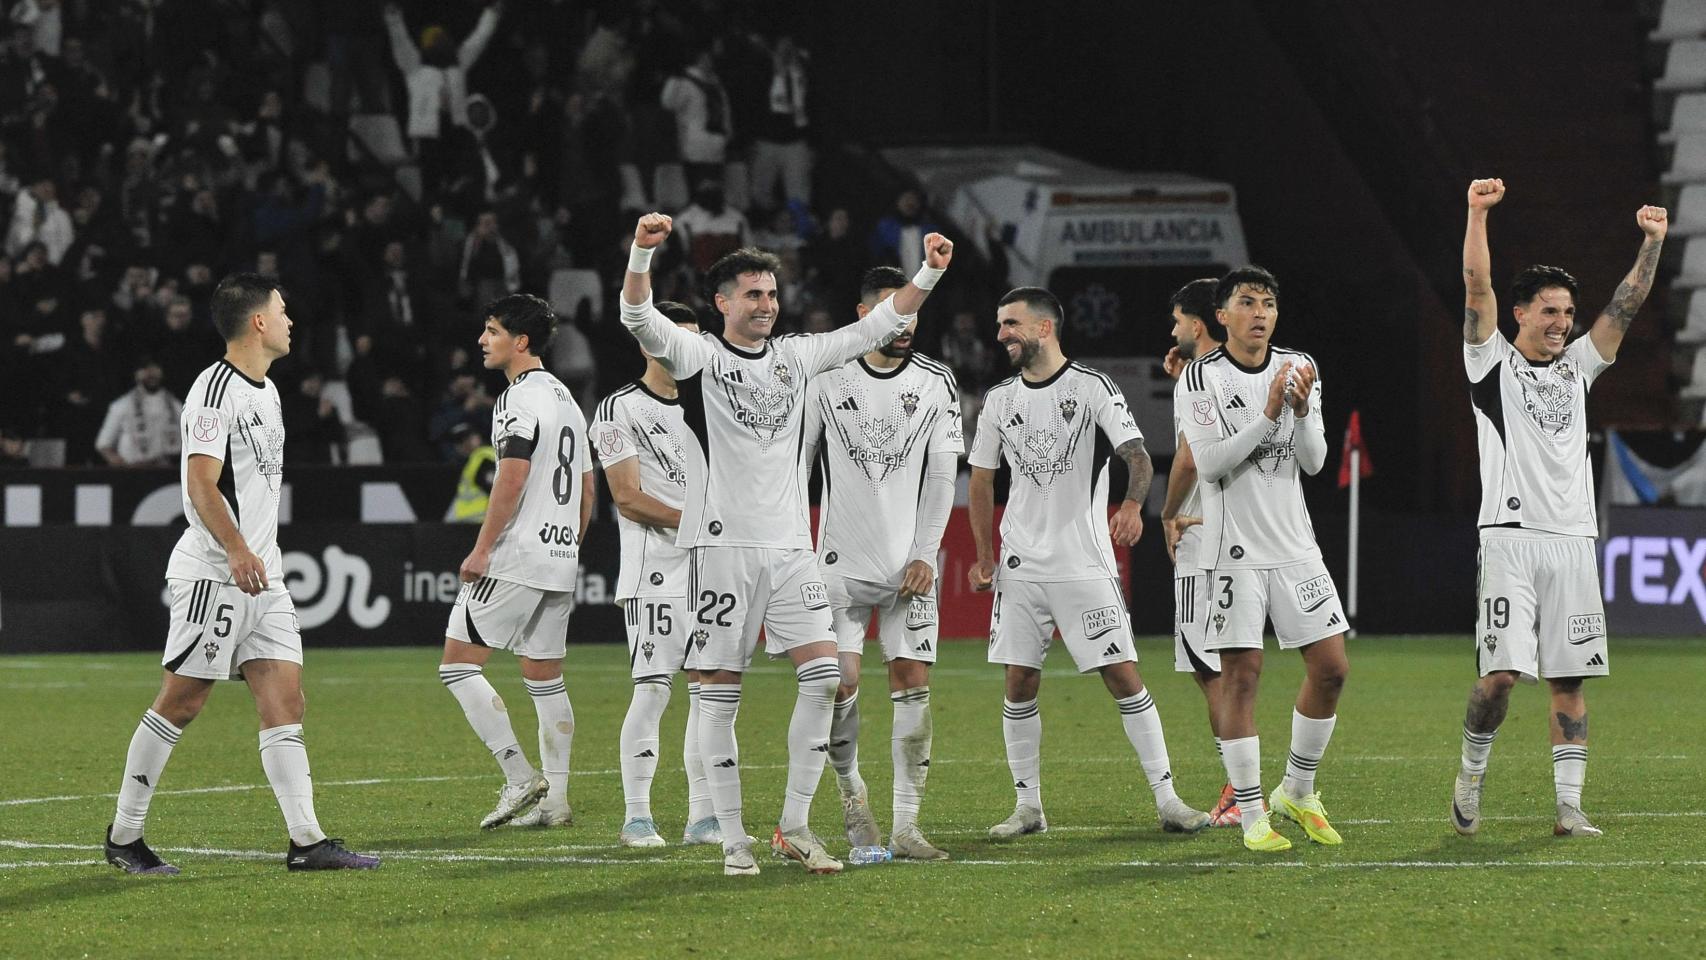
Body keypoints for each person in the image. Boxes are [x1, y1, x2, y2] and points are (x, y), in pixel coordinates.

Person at [620, 211, 953, 876]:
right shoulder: (705, 357)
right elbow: (638, 318)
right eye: (753, 294)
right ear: (722, 304)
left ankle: (795, 825)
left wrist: (929, 272)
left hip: (793, 550)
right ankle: (734, 840)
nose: (767, 304)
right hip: (724, 549)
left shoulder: (799, 356)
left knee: (826, 676)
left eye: (772, 293)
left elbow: (876, 326)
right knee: (719, 691)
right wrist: (640, 254)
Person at [102, 274, 379, 874]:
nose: (289, 320)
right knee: (182, 701)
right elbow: (201, 483)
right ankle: (124, 836)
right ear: (257, 321)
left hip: (264, 575)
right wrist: (234, 550)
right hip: (215, 571)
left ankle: (306, 842)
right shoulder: (213, 390)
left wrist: (256, 556)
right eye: (282, 310)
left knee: (286, 700)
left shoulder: (268, 391)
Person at [1452, 180, 1667, 838]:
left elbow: (1626, 306)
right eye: (1549, 312)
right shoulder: (1489, 365)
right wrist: (1477, 214)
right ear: (1519, 313)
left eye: (1567, 313)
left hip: (1573, 541)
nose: (1562, 323)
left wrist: (1652, 243)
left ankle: (1569, 807)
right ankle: (1470, 773)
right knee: (1500, 680)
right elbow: (1475, 288)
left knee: (1569, 681)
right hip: (1511, 540)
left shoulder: (1578, 368)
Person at [968, 286, 1210, 841]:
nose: (1001, 333)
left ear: (1044, 329)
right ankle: (1028, 808)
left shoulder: (1091, 387)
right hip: (1022, 565)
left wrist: (1130, 505)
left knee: (1122, 676)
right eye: (1000, 324)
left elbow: (1137, 456)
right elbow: (981, 479)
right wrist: (985, 557)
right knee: (1019, 681)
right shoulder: (999, 399)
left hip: (1083, 563)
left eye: (1011, 324)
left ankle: (1168, 799)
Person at [1174, 266, 1349, 853]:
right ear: (1221, 316)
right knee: (1240, 680)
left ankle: (1297, 791)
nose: (1260, 314)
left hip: (1296, 545)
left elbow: (1317, 461)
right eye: (1247, 303)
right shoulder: (1199, 378)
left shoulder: (1300, 365)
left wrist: (1299, 413)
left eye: (1268, 304)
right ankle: (1252, 816)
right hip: (1233, 551)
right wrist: (1269, 413)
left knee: (1332, 668)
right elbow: (1212, 461)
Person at [800, 266, 962, 861]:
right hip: (839, 567)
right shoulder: (825, 376)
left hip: (907, 570)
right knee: (838, 685)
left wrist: (925, 553)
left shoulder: (937, 380)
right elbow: (801, 464)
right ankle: (852, 795)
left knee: (912, 685)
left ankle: (907, 826)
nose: (907, 324)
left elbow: (944, 473)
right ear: (866, 314)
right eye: (896, 312)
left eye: (914, 312)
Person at [437, 294, 593, 830]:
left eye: (492, 330)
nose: (483, 340)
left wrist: (482, 549)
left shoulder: (518, 398)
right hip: (558, 557)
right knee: (544, 676)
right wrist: (569, 541)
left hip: (518, 555)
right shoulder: (567, 400)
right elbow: (588, 486)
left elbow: (513, 474)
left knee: (457, 665)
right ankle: (556, 803)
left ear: (520, 342)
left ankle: (519, 776)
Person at [592, 300, 716, 848]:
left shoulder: (710, 409)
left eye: (694, 340)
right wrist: (703, 523)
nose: (686, 351)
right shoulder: (618, 408)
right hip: (657, 573)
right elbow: (628, 499)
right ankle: (637, 816)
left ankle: (703, 816)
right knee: (654, 690)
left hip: (711, 571)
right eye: (674, 339)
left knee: (709, 691)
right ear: (649, 344)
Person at [1157, 278, 1239, 828]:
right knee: (1230, 663)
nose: (1173, 330)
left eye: (1178, 321)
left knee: (1210, 668)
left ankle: (1239, 789)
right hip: (1243, 532)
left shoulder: (1199, 378)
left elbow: (1188, 457)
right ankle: (1245, 782)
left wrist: (1166, 512)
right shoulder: (1234, 371)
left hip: (1203, 537)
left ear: (1199, 324)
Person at [95, 358, 183, 467]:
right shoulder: (122, 405)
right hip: (134, 471)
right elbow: (104, 444)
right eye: (145, 369)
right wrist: (121, 467)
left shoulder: (175, 405)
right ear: (136, 374)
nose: (151, 373)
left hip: (166, 471)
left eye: (155, 368)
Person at [447, 423, 496, 522]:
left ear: (477, 437)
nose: (464, 444)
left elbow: (497, 491)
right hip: (475, 523)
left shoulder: (483, 458)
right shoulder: (472, 461)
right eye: (459, 442)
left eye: (467, 439)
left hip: (482, 522)